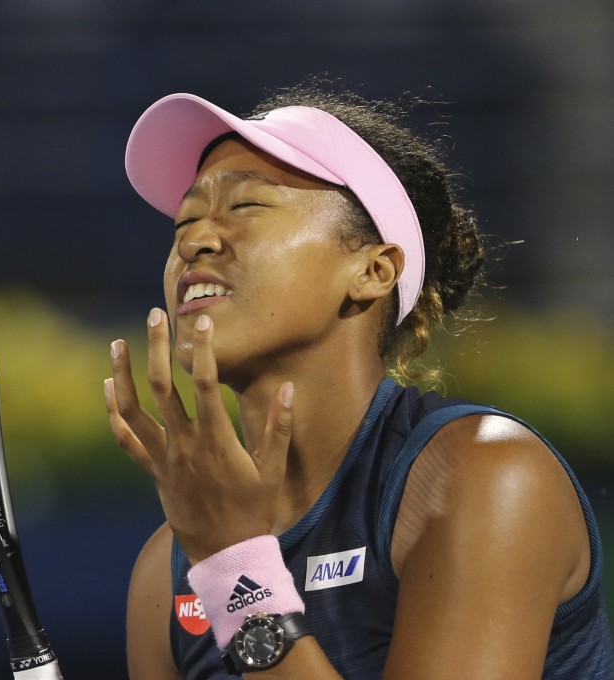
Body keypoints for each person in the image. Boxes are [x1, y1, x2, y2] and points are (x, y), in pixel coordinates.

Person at [103, 82, 614, 679]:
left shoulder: (487, 476)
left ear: (373, 271)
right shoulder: (164, 569)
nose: (193, 239)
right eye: (186, 220)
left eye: (246, 207)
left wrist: (234, 568)